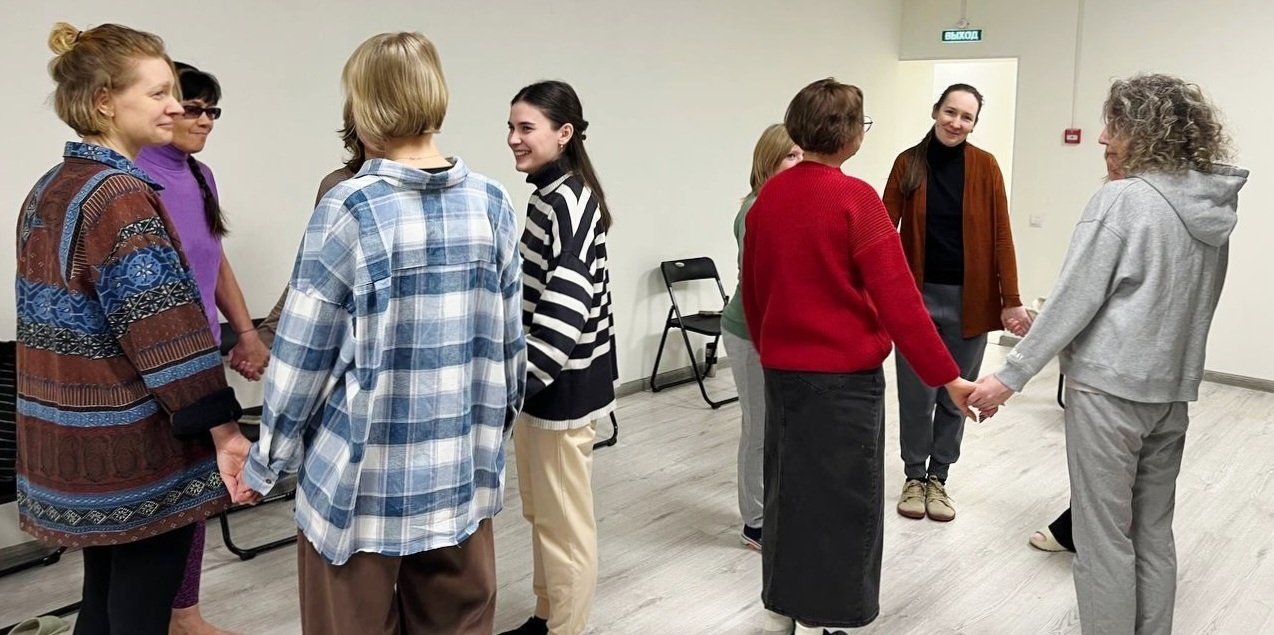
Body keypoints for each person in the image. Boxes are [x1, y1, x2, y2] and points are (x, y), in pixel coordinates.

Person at [241, 32, 526, 635]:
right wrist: (489, 437)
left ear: (363, 104)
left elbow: (301, 359)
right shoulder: (493, 203)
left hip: (359, 486)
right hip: (460, 475)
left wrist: (267, 461)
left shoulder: (350, 207)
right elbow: (509, 350)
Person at [970, 73, 1245, 635]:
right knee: (1152, 534)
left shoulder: (1122, 200)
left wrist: (1010, 375)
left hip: (1109, 394)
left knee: (1102, 541)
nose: (1102, 138)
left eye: (1114, 126)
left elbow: (1074, 300)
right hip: (1170, 396)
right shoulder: (1212, 212)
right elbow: (1189, 305)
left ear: (1144, 131)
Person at [15, 22, 253, 635]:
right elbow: (166, 335)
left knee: (103, 600)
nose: (175, 106)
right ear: (103, 101)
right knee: (141, 610)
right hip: (133, 450)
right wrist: (225, 432)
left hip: (71, 444)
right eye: (157, 93)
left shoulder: (51, 188)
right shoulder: (119, 195)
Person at [742, 78, 976, 634]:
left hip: (784, 375)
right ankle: (835, 619)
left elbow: (754, 291)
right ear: (851, 136)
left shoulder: (767, 199)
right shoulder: (857, 200)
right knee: (847, 504)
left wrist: (774, 349)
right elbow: (901, 303)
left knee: (788, 493)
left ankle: (781, 607)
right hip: (845, 383)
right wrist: (949, 377)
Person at [134, 61, 265, 635]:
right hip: (152, 367)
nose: (206, 120)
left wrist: (246, 332)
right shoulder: (133, 176)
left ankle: (184, 614)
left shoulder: (200, 175)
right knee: (156, 497)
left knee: (196, 489)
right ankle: (157, 615)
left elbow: (215, 258)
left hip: (201, 356)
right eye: (194, 108)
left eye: (213, 110)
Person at [882, 83, 1030, 523]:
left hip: (970, 302)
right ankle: (914, 476)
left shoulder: (985, 166)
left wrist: (1011, 300)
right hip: (916, 301)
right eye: (950, 112)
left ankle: (939, 478)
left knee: (957, 396)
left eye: (967, 117)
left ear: (974, 124)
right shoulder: (907, 163)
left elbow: (1001, 236)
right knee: (916, 395)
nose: (956, 123)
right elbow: (883, 230)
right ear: (935, 111)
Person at [500, 80, 617, 635]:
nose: (513, 138)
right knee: (543, 513)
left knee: (565, 527)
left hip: (559, 387)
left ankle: (565, 628)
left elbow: (566, 307)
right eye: (511, 127)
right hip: (544, 386)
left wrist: (519, 382)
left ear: (564, 133)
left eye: (526, 128)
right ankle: (546, 616)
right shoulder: (548, 195)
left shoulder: (568, 201)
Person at [719, 124, 802, 551]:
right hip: (749, 332)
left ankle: (775, 506)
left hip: (778, 334)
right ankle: (754, 522)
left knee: (779, 426)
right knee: (759, 428)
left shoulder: (790, 204)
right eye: (790, 156)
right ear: (768, 160)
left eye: (802, 155)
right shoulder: (755, 209)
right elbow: (760, 283)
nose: (799, 163)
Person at [254, 102, 384, 349]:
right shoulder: (338, 187)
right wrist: (264, 337)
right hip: (352, 339)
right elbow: (312, 272)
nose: (381, 126)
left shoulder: (433, 186)